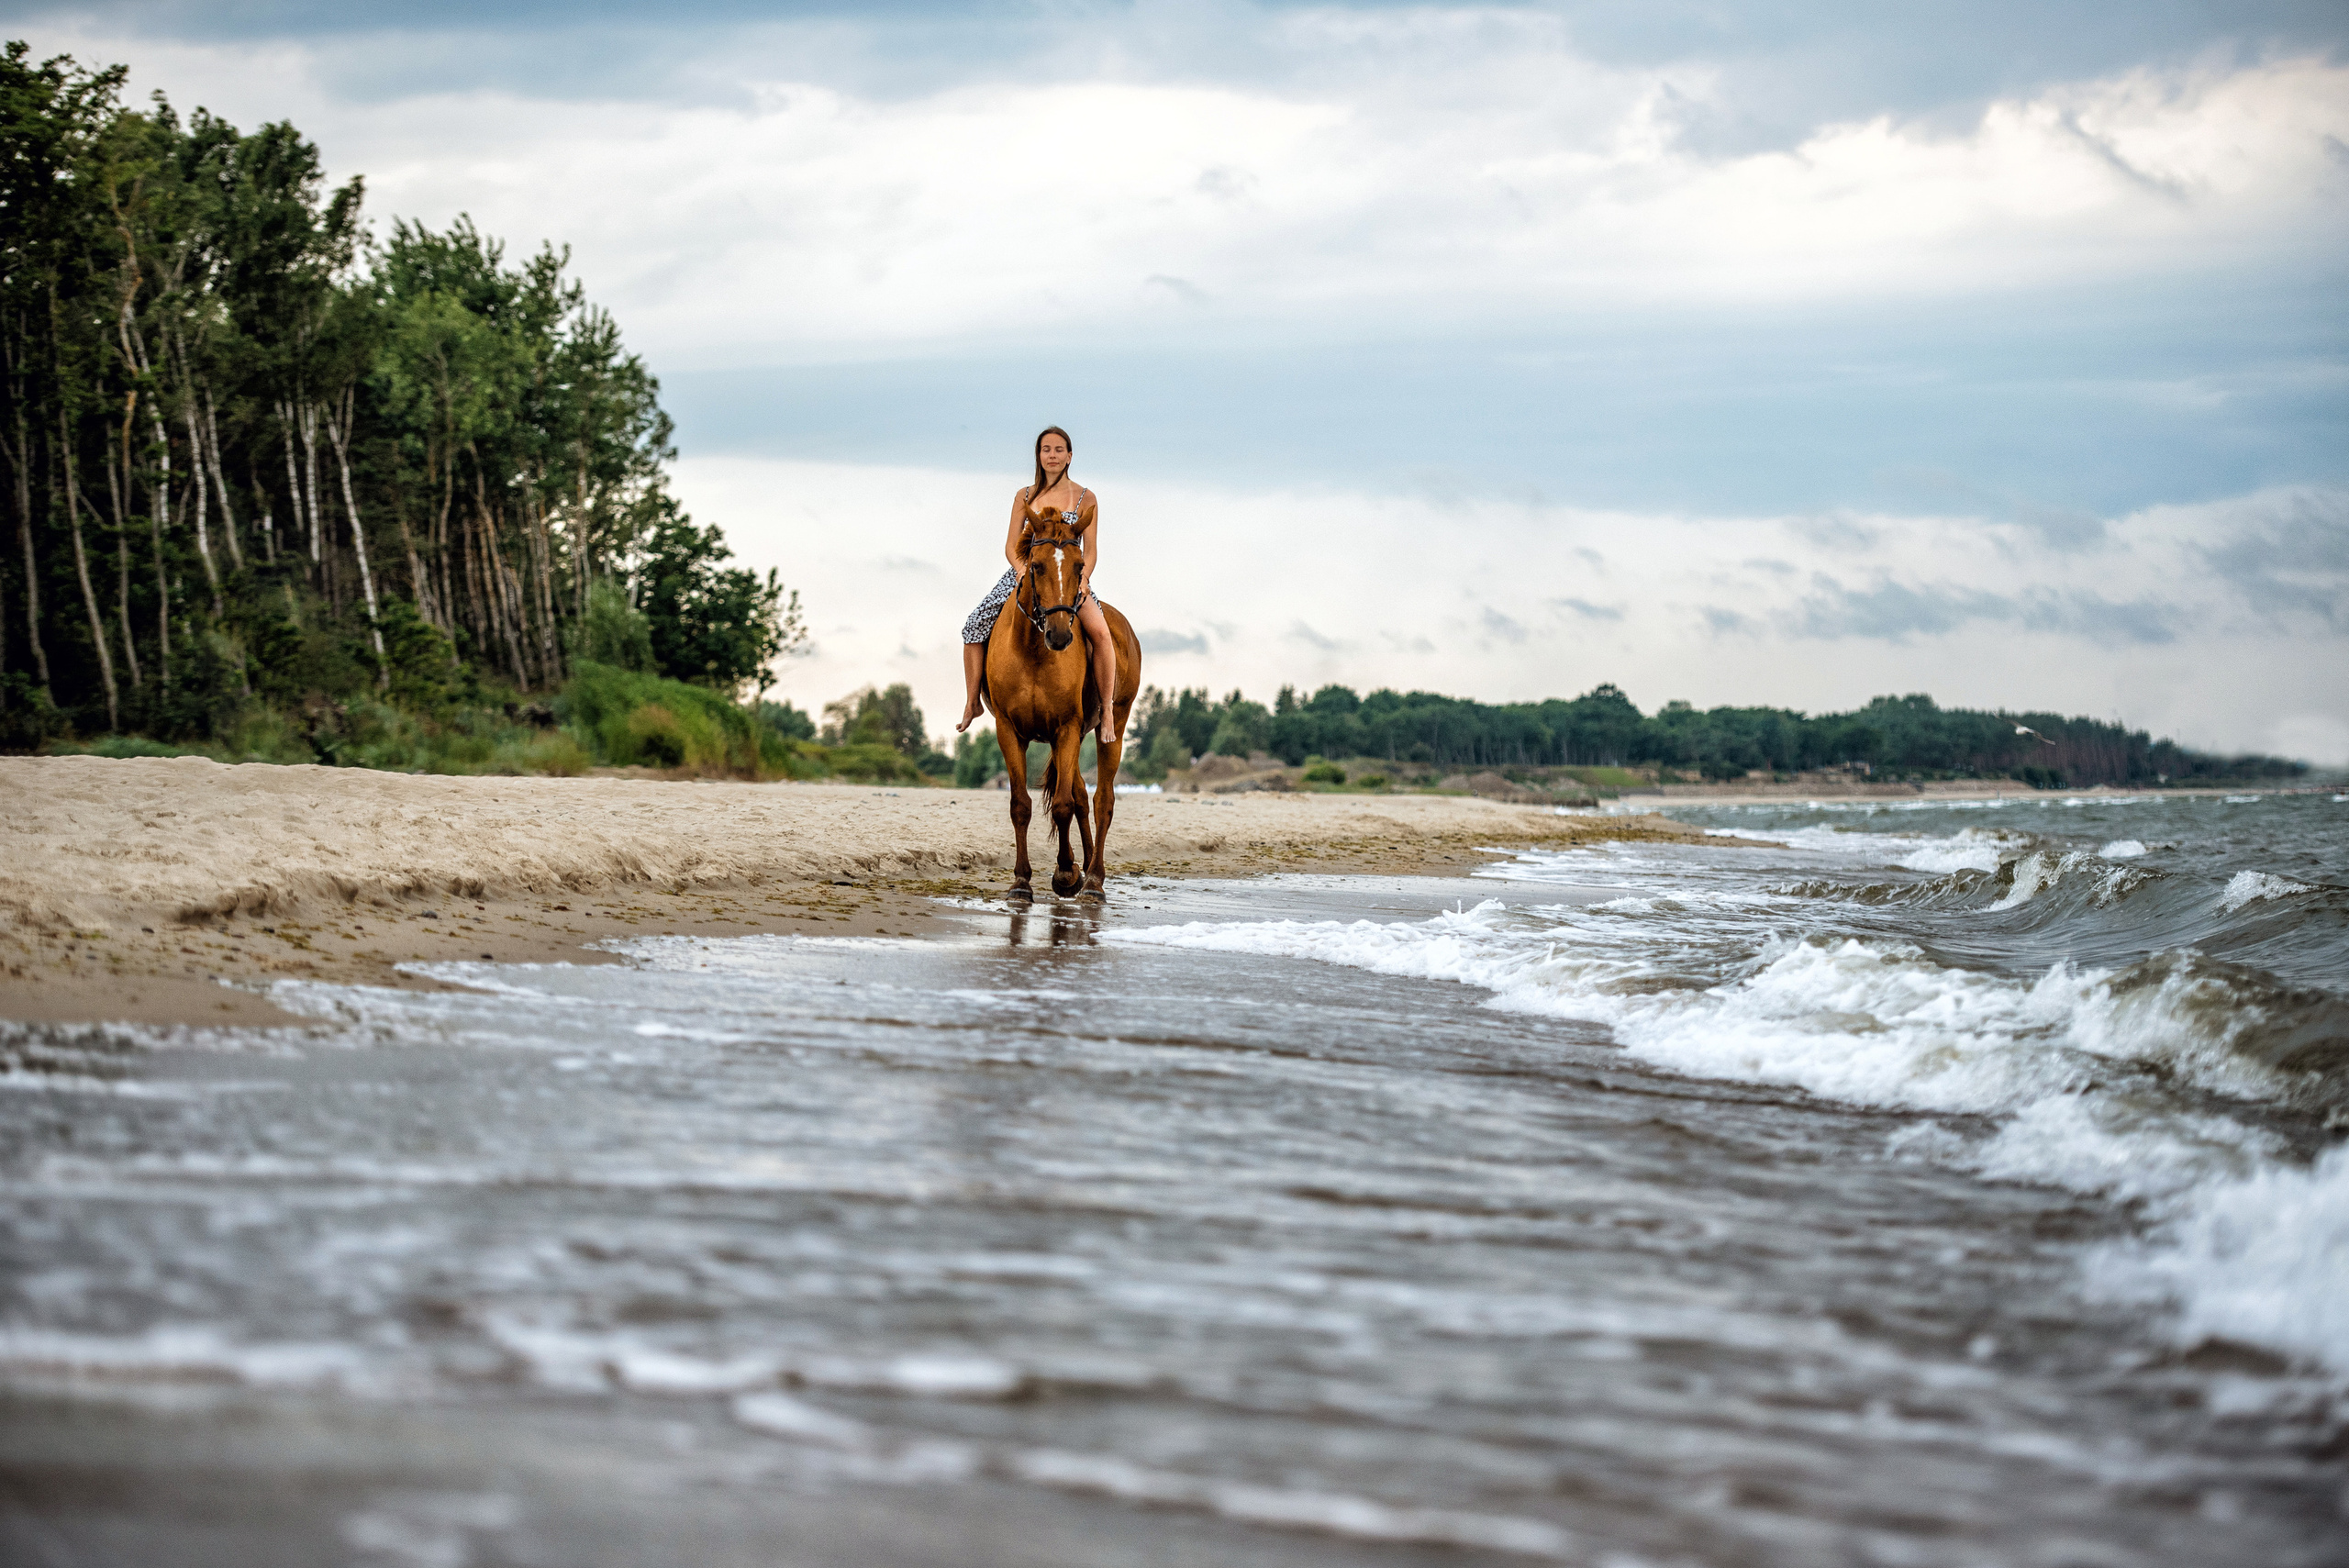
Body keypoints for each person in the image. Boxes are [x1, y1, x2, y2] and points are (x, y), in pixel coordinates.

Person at [956, 426, 1119, 744]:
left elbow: (1092, 550)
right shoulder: (1025, 496)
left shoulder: (1087, 498)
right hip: (1026, 574)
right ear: (1039, 455)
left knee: (1101, 633)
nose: (1053, 455)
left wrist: (1083, 581)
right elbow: (1010, 545)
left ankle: (1107, 710)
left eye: (1059, 450)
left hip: (1069, 580)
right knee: (973, 626)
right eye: (1047, 450)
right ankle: (973, 702)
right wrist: (1020, 570)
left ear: (1070, 456)